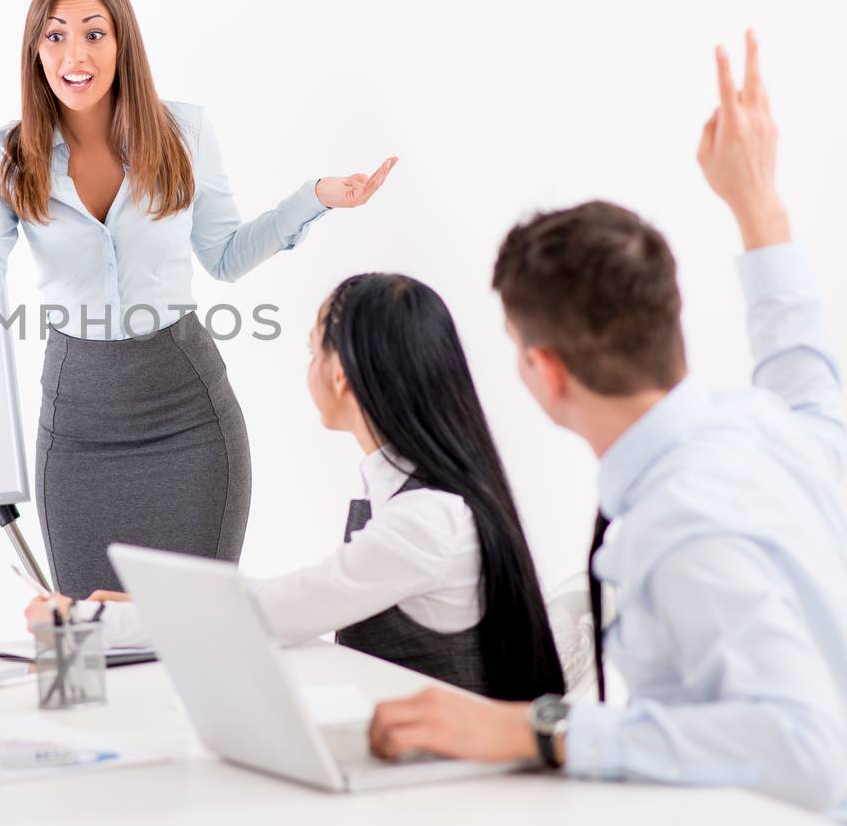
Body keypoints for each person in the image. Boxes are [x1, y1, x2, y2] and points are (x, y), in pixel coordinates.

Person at [367, 33, 847, 818]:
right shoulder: (762, 431)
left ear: (547, 370)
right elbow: (808, 381)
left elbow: (809, 749)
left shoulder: (685, 525)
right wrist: (757, 205)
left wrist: (544, 730)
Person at [0, 0, 397, 597]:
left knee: (197, 628)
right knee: (95, 635)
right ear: (35, 50)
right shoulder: (9, 154)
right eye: (55, 36)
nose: (75, 54)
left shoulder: (183, 131)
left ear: (122, 43)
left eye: (94, 33)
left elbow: (225, 256)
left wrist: (315, 197)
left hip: (188, 421)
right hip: (78, 429)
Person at [29, 273, 566, 700]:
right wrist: (169, 607)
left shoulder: (425, 523)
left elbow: (275, 611)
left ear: (341, 377)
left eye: (313, 351)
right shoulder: (420, 502)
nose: (306, 367)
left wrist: (86, 618)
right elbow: (299, 600)